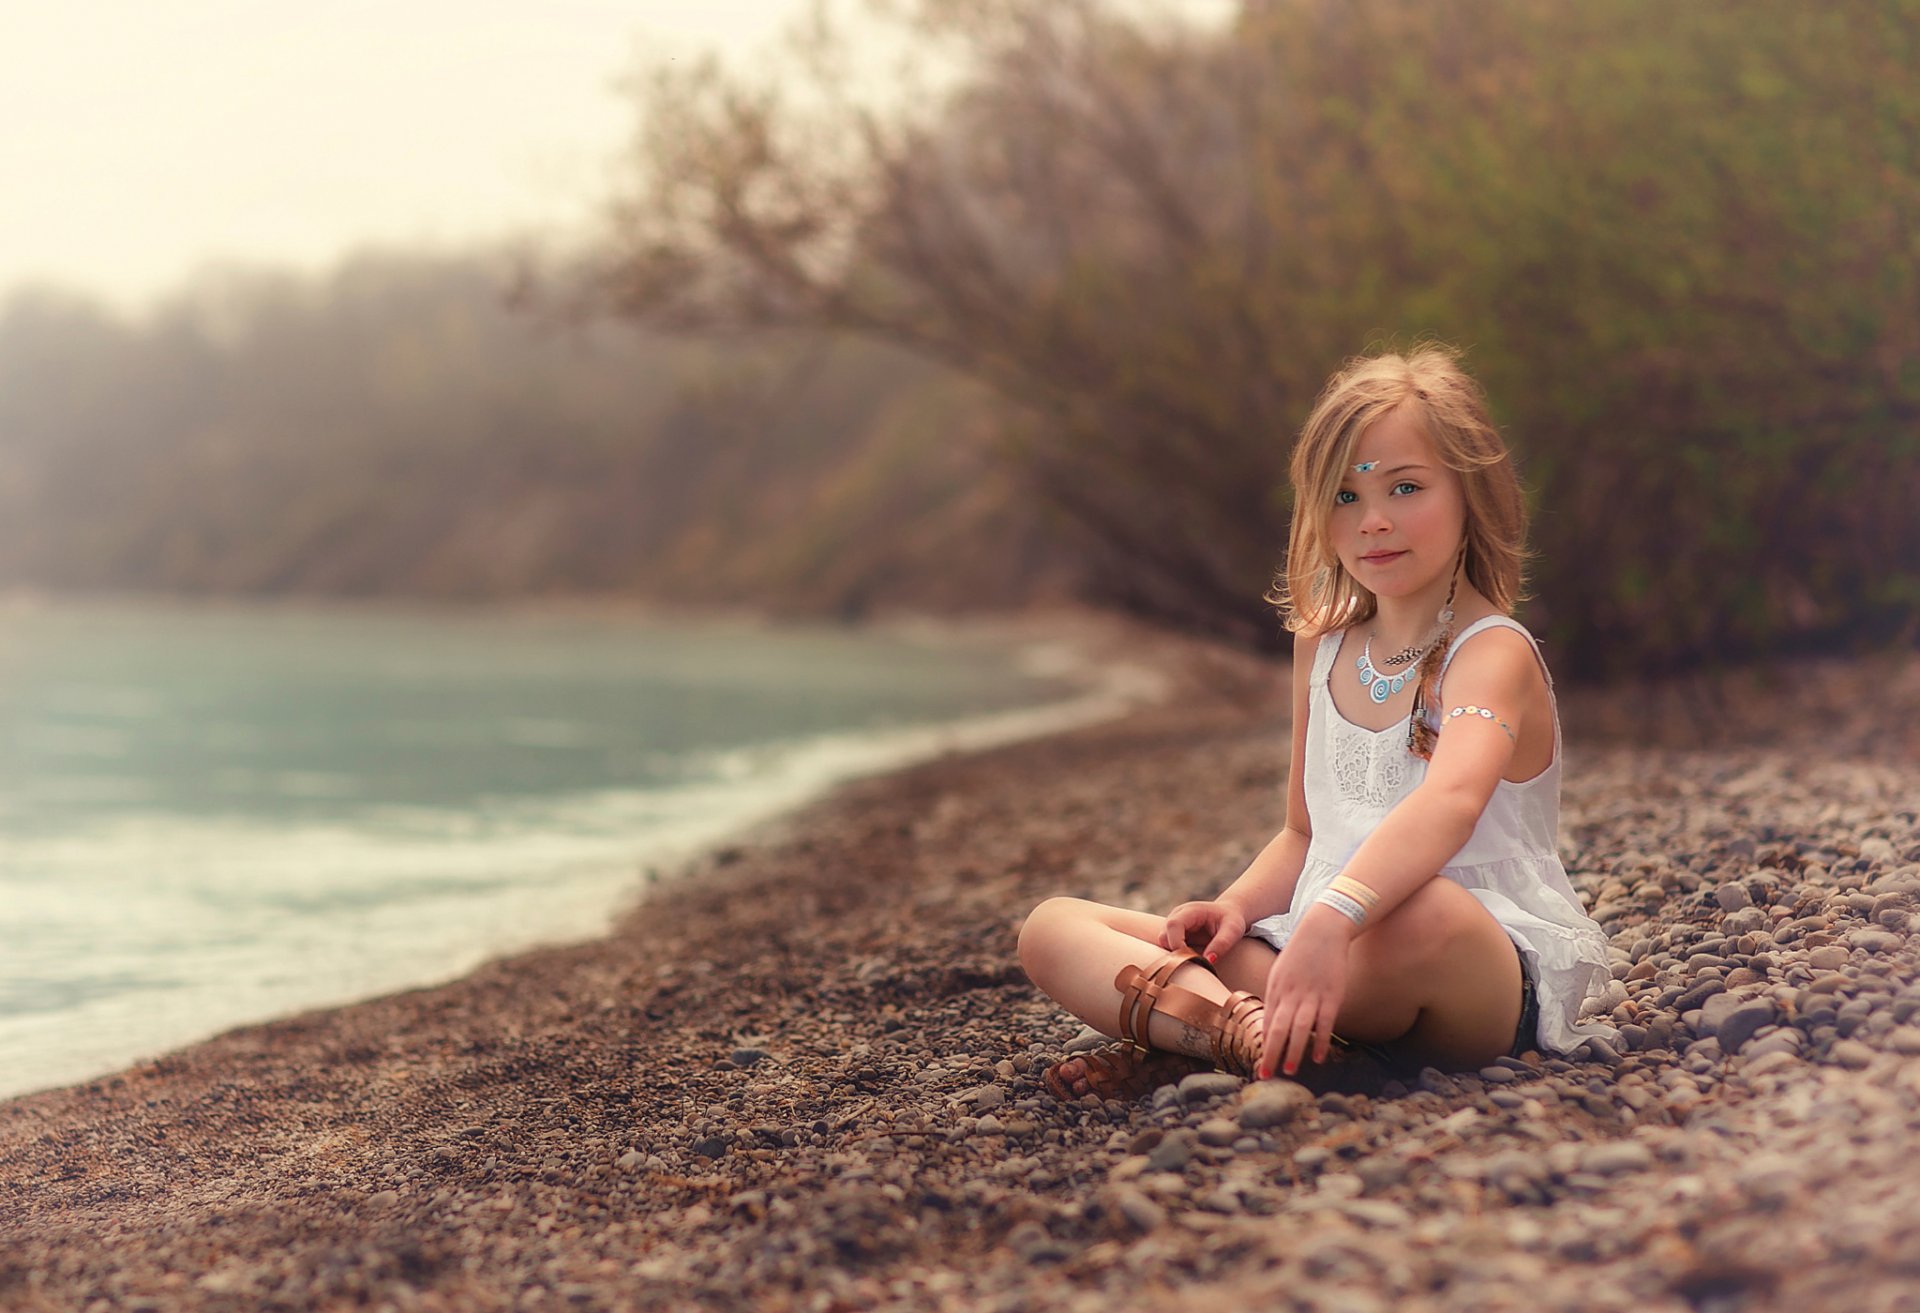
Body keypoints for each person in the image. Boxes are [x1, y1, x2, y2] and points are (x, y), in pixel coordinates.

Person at [1018, 346, 1614, 1099]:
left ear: (1471, 494)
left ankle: (1196, 1028)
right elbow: (1305, 833)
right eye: (1344, 496)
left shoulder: (1492, 652)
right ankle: (1260, 1038)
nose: (1375, 521)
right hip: (1315, 945)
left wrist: (1333, 921)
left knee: (1426, 908)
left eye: (1405, 487)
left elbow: (1451, 801)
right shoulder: (1323, 643)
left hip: (1464, 968)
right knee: (1052, 926)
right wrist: (1234, 907)